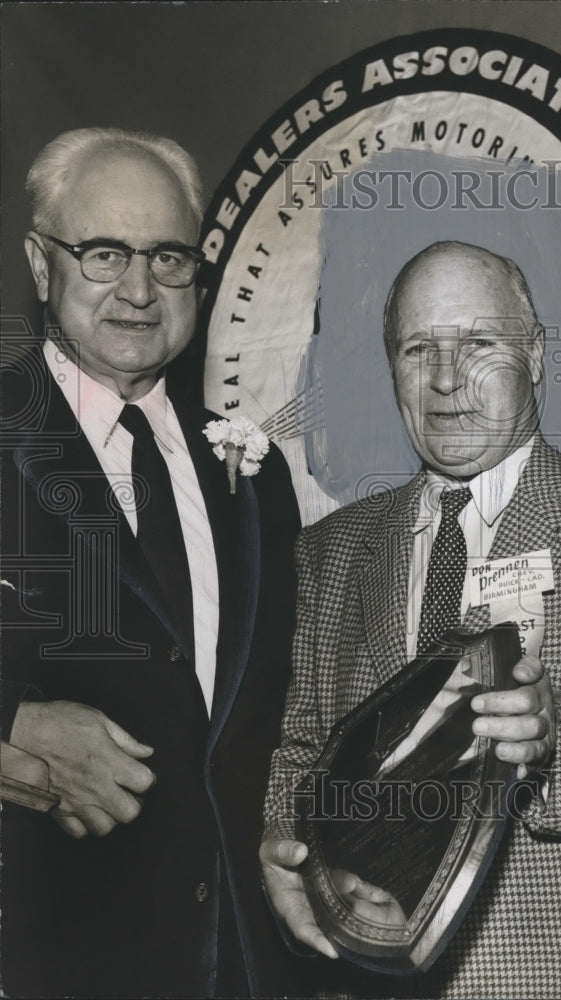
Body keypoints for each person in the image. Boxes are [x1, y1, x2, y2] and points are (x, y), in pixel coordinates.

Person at [260, 240, 561, 998]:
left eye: (479, 344)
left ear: (536, 354)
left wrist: (560, 738)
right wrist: (286, 846)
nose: (448, 379)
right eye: (419, 348)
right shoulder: (330, 550)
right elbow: (303, 751)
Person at [0, 128, 303, 998]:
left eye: (169, 257)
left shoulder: (251, 475)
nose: (139, 289)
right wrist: (14, 723)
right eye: (103, 253)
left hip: (236, 964)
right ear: (40, 261)